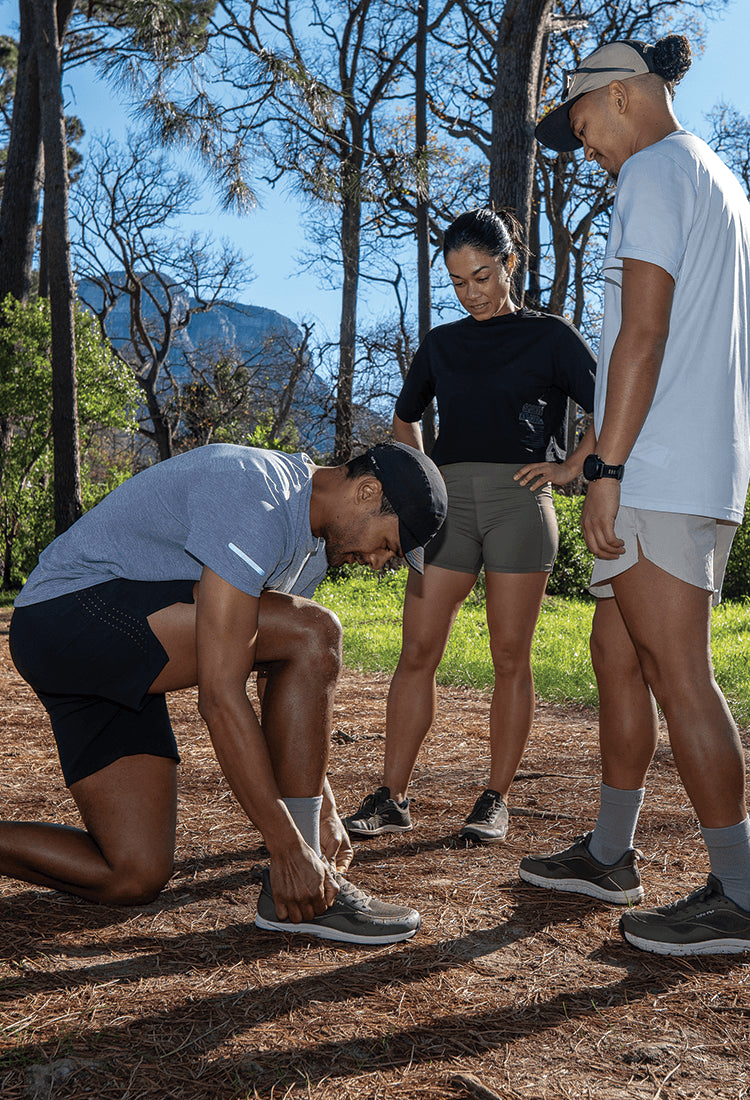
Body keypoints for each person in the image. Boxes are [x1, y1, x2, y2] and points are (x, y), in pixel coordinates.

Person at [5, 440, 447, 946]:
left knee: (132, 873)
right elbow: (220, 693)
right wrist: (289, 847)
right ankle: (301, 892)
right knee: (316, 631)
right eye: (388, 544)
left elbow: (280, 680)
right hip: (66, 620)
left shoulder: (310, 552)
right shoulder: (256, 494)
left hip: (112, 665)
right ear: (367, 491)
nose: (377, 561)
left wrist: (322, 806)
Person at [520, 35, 750, 956]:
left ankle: (740, 893)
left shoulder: (652, 170)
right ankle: (610, 855)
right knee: (616, 651)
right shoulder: (718, 178)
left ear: (619, 96)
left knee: (678, 671)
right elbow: (669, 342)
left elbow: (644, 335)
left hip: (659, 470)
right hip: (679, 458)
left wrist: (609, 471)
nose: (585, 150)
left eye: (581, 128)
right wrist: (589, 454)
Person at [344, 208, 597, 845]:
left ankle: (495, 797)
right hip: (448, 512)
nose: (471, 292)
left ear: (509, 264)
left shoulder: (551, 336)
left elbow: (611, 404)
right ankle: (391, 796)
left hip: (520, 505)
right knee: (416, 653)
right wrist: (424, 482)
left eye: (482, 276)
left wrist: (571, 466)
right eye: (458, 282)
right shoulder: (442, 344)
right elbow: (405, 418)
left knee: (510, 656)